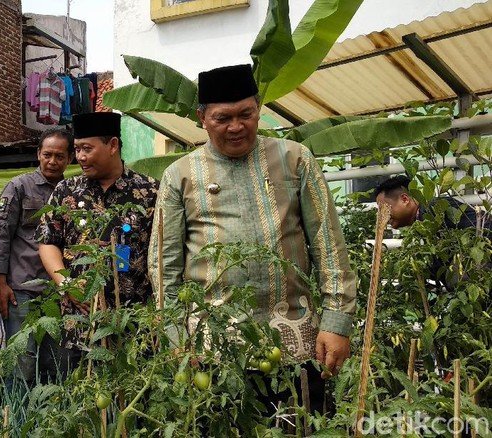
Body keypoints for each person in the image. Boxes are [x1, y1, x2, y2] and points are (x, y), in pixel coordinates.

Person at [148, 64, 357, 409]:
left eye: (246, 113)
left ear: (259, 108)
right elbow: (164, 265)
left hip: (296, 336)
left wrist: (337, 322)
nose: (236, 126)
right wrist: (175, 337)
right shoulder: (179, 175)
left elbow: (328, 242)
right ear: (202, 118)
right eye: (222, 118)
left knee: (301, 427)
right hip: (213, 347)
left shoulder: (295, 159)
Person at [37, 112, 159, 372]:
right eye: (77, 149)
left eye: (86, 149)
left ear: (113, 145)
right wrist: (66, 284)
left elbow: (161, 254)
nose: (79, 157)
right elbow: (48, 241)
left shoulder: (150, 192)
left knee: (132, 399)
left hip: (132, 322)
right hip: (81, 322)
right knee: (81, 395)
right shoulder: (66, 191)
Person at [0, 128, 72, 385]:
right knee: (21, 366)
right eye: (47, 154)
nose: (52, 161)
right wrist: (0, 283)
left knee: (57, 364)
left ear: (69, 159)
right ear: (38, 154)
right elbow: (1, 235)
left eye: (59, 156)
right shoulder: (19, 186)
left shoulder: (74, 192)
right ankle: (15, 423)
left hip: (58, 293)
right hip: (21, 293)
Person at [374, 174, 490, 289]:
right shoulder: (422, 221)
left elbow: (484, 228)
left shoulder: (434, 208)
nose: (382, 216)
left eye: (385, 209)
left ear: (405, 199)